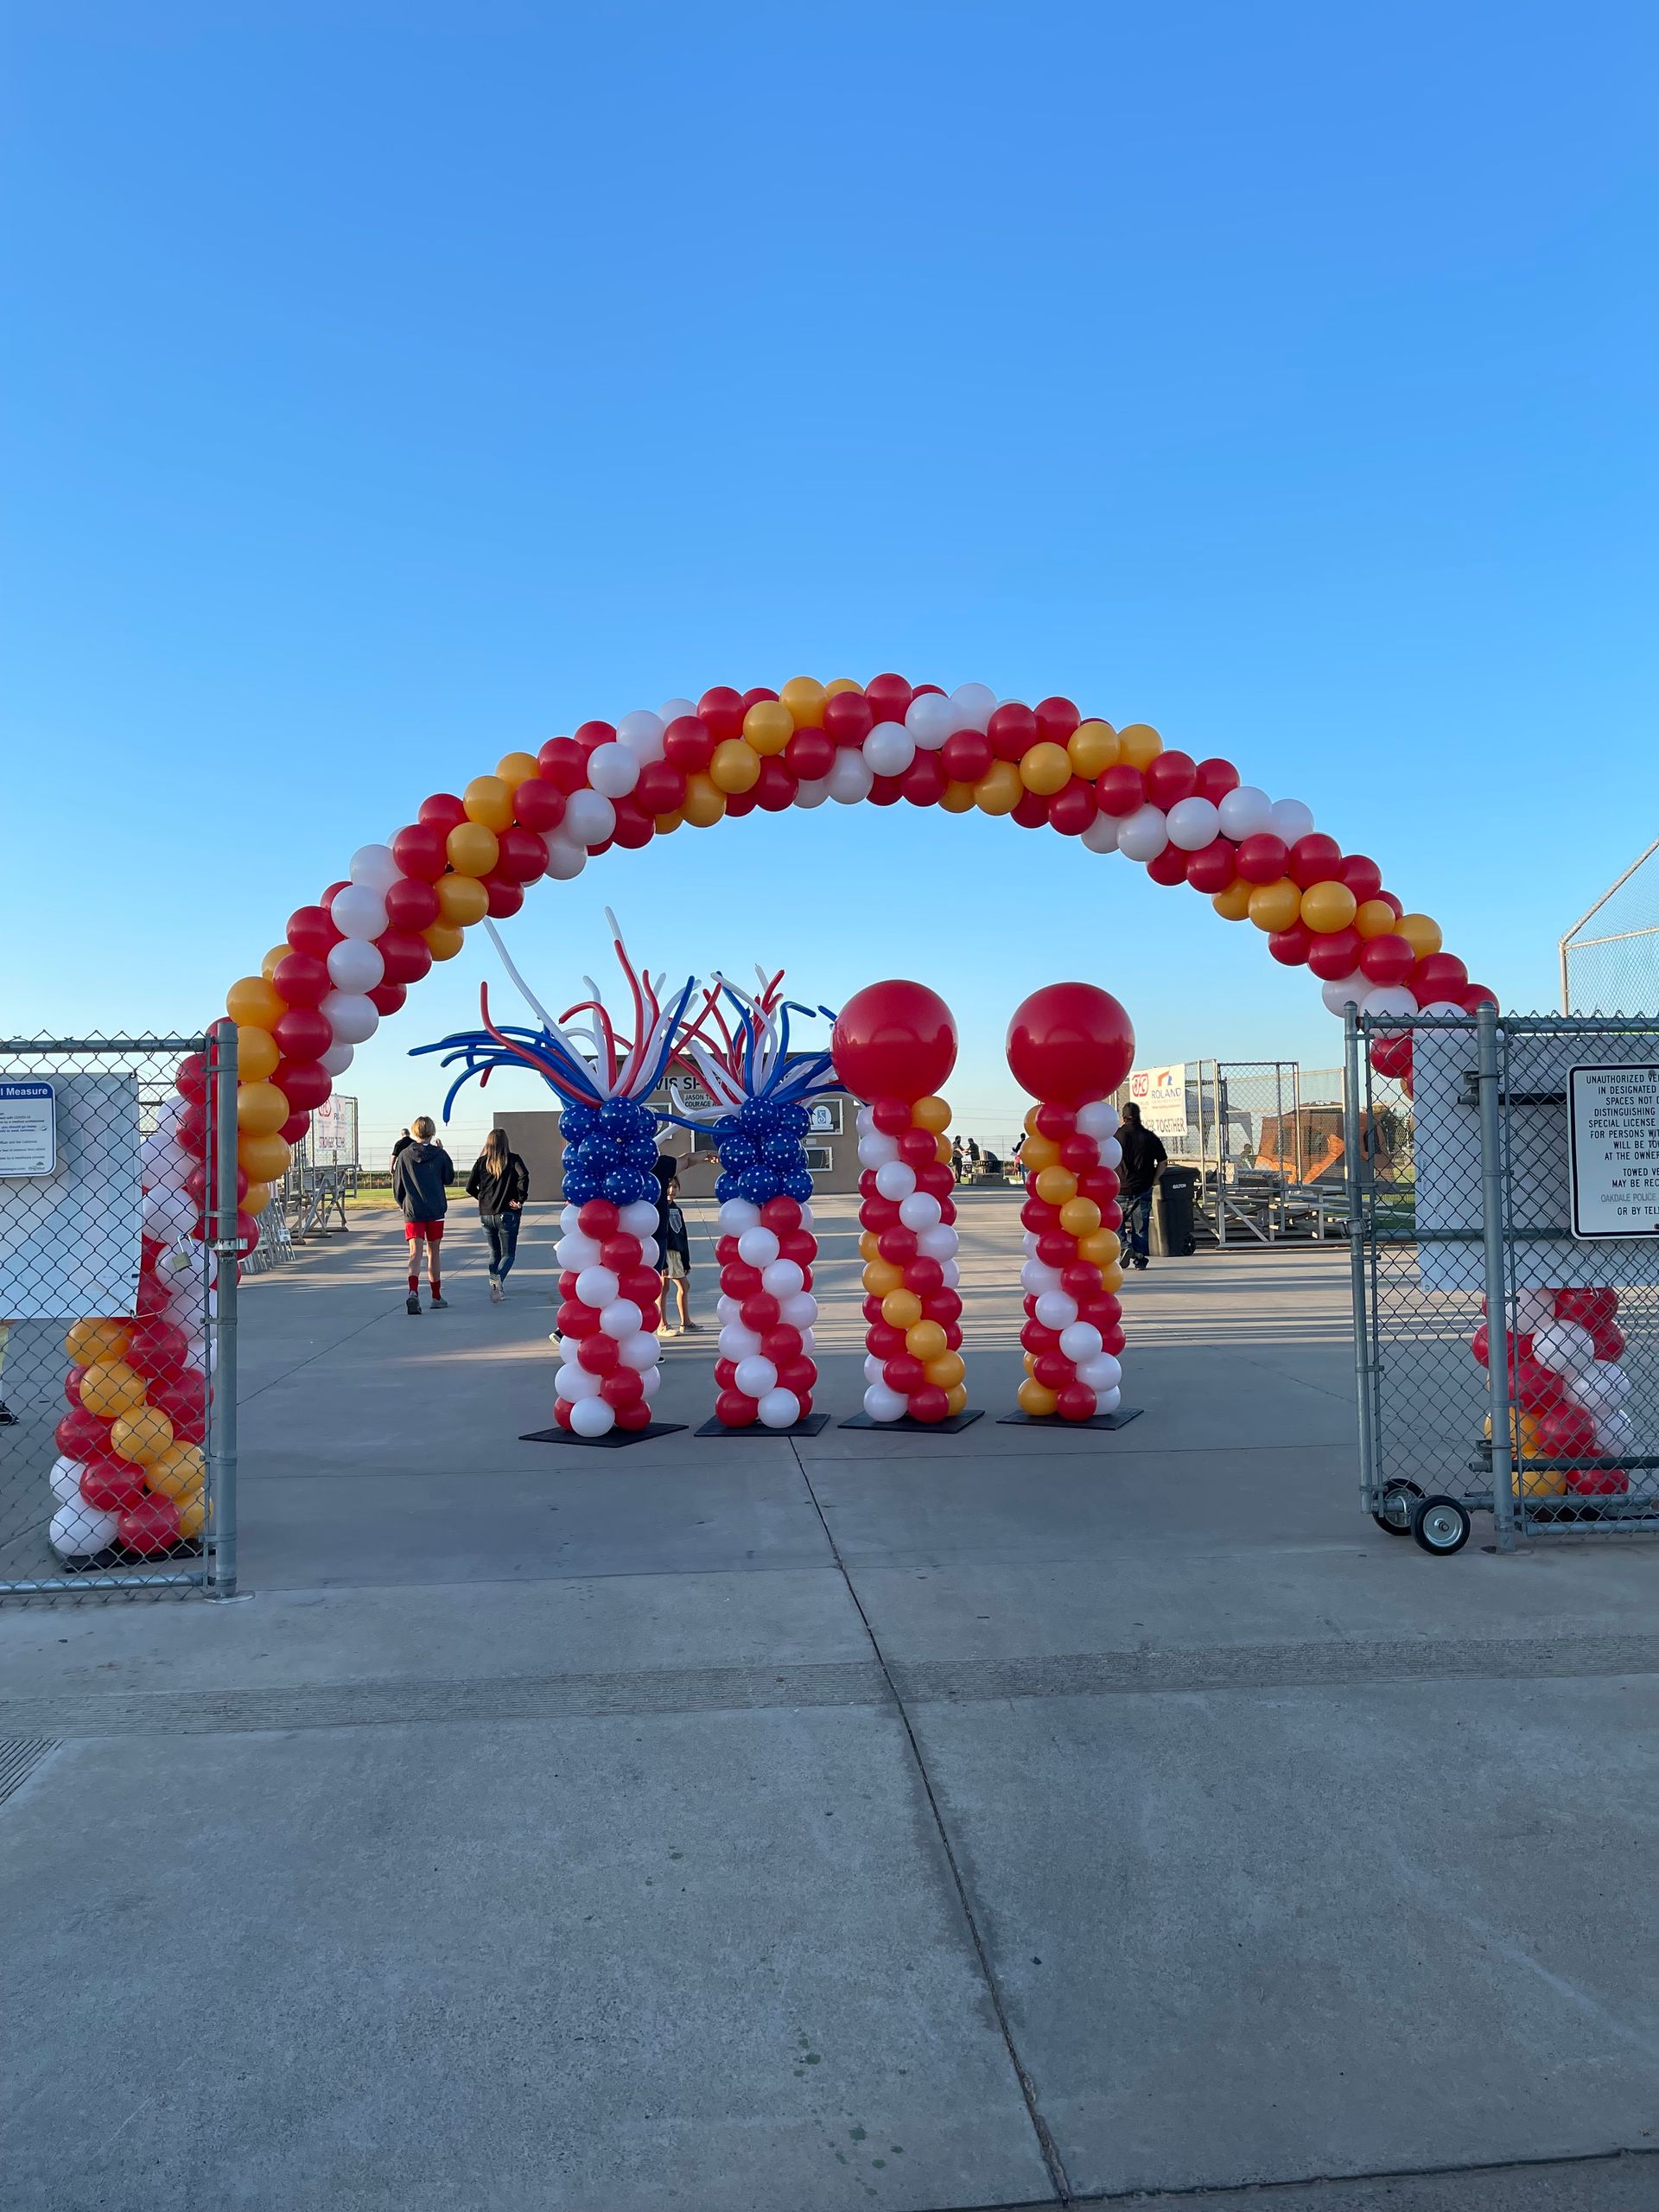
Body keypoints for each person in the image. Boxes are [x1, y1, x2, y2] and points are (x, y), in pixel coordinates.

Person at [391, 1116, 454, 1314]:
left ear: (415, 1132)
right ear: (432, 1131)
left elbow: (398, 1185)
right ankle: (436, 1296)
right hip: (435, 1209)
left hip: (413, 1210)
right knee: (433, 1253)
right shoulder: (439, 1154)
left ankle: (413, 1291)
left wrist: (403, 1204)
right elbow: (449, 1178)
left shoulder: (403, 1155)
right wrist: (443, 1152)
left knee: (414, 1253)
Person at [466, 1128, 530, 1301]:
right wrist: (520, 1198)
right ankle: (497, 1282)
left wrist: (481, 1198)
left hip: (486, 1213)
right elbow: (524, 1176)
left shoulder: (481, 1163)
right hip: (507, 1212)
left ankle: (495, 1284)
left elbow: (469, 1187)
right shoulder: (513, 1159)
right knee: (508, 1254)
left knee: (494, 1252)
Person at [1116, 1101, 1167, 1271]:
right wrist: (1155, 1179)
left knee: (1114, 1222)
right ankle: (1139, 1258)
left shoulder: (1115, 1137)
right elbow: (1163, 1162)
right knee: (1140, 1226)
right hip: (1143, 1188)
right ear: (1139, 1116)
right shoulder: (1149, 1137)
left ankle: (1125, 1247)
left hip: (1119, 1187)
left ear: (1123, 1118)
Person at [658, 1174, 697, 1332]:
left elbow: (682, 1235)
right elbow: (660, 1236)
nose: (672, 1190)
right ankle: (662, 1324)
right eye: (669, 1186)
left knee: (684, 1286)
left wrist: (686, 1260)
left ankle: (685, 1323)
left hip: (677, 1254)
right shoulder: (660, 1209)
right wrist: (663, 1262)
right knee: (663, 1287)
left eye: (675, 1186)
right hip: (665, 1254)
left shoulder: (676, 1209)